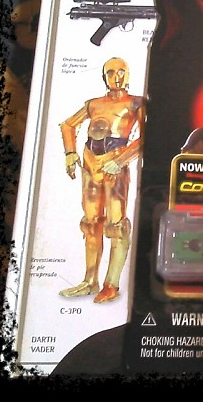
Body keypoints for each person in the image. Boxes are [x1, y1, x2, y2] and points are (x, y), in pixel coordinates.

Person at [58, 57, 146, 303]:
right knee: (91, 223)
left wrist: (121, 160)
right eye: (111, 72)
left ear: (128, 75)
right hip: (90, 163)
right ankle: (89, 281)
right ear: (104, 77)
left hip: (114, 164)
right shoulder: (94, 104)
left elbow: (147, 136)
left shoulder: (136, 103)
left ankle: (111, 284)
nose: (116, 77)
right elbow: (67, 125)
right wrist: (70, 152)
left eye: (121, 72)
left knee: (117, 225)